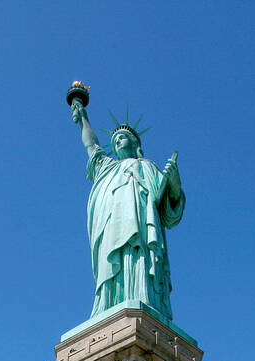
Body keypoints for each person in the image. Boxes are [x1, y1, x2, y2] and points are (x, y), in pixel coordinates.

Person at [71, 99, 184, 323]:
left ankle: (143, 298)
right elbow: (91, 145)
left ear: (134, 143)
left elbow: (169, 213)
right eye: (114, 140)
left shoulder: (148, 167)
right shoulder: (106, 167)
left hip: (141, 231)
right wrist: (83, 118)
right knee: (112, 266)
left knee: (138, 260)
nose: (117, 142)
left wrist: (175, 184)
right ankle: (108, 304)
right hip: (110, 230)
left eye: (122, 137)